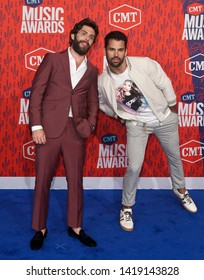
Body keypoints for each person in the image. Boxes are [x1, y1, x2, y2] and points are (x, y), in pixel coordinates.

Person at [98, 31, 197, 232]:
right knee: (134, 167)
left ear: (126, 50)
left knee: (175, 157)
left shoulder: (144, 64)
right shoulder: (102, 81)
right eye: (111, 49)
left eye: (120, 49)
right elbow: (100, 103)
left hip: (163, 118)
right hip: (136, 124)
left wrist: (172, 107)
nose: (115, 54)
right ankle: (126, 207)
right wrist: (117, 115)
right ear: (105, 51)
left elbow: (164, 81)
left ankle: (181, 190)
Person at [29, 18, 99, 249]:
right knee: (42, 180)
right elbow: (37, 93)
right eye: (84, 34)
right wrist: (36, 126)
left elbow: (93, 102)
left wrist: (89, 125)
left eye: (91, 37)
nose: (87, 39)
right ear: (72, 35)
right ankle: (40, 228)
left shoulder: (91, 70)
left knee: (76, 181)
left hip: (76, 131)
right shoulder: (53, 59)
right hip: (48, 129)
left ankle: (75, 226)